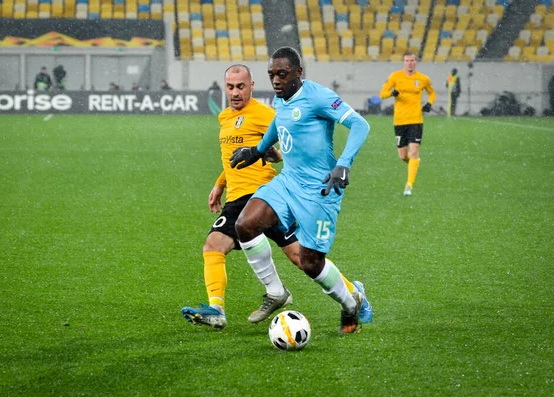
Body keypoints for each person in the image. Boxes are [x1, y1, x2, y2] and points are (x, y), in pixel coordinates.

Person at [181, 64, 372, 330]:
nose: (235, 92)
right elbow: (234, 157)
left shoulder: (266, 111)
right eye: (230, 87)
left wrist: (340, 163)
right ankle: (349, 291)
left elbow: (287, 144)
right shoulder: (225, 117)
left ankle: (226, 305)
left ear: (250, 86)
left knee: (302, 258)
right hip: (259, 193)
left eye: (240, 86)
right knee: (298, 256)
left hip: (268, 190)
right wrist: (220, 183)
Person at [379, 50, 435, 196]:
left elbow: (432, 92)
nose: (410, 63)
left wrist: (429, 104)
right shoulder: (395, 77)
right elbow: (382, 93)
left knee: (414, 151)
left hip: (416, 120)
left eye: (412, 60)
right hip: (400, 121)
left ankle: (408, 186)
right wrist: (392, 93)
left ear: (416, 62)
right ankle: (414, 163)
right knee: (404, 156)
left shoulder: (423, 79)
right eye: (407, 61)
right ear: (404, 62)